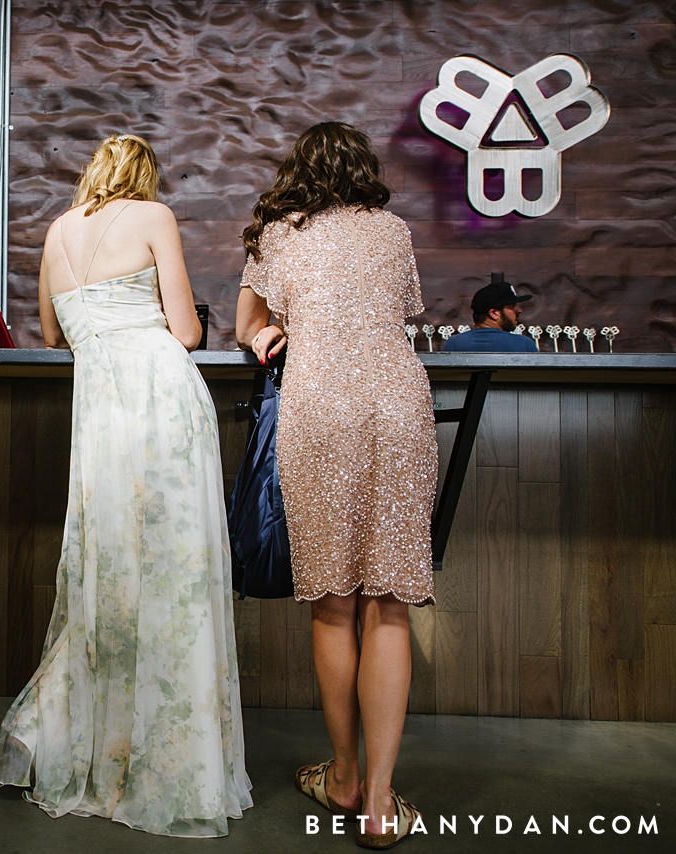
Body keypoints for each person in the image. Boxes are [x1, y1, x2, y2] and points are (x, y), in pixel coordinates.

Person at [0, 134, 253, 837]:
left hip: (99, 414)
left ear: (94, 174)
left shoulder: (59, 232)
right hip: (164, 403)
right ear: (144, 176)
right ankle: (168, 759)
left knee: (108, 575)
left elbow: (52, 332)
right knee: (175, 576)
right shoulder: (154, 217)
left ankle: (90, 742)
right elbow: (186, 331)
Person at [235, 122, 434, 849]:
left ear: (299, 171)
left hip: (320, 408)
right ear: (363, 172)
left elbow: (247, 325)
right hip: (400, 405)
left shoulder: (277, 233)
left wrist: (265, 335)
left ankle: (344, 775)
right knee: (390, 601)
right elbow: (393, 314)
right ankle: (381, 803)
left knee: (332, 605)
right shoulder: (393, 231)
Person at [443, 277, 538, 352]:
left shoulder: (454, 344)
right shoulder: (523, 345)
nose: (519, 310)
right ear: (494, 313)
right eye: (513, 306)